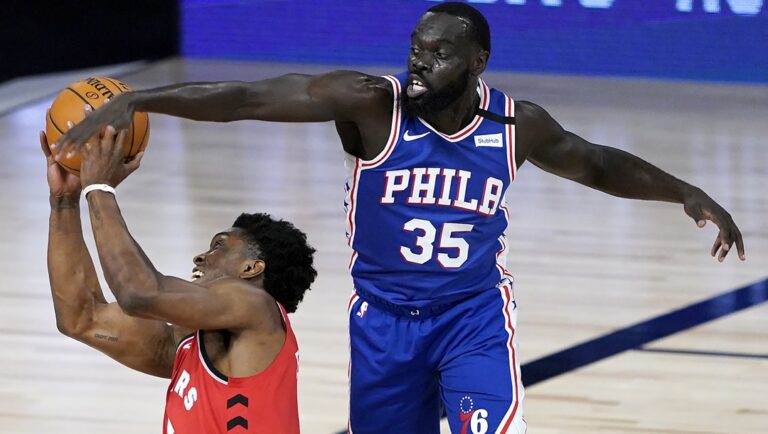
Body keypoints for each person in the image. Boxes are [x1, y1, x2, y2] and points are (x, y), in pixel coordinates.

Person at [56, 3, 745, 432]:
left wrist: (684, 190)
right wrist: (142, 100)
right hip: (383, 323)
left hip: (471, 315)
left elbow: (595, 164)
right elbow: (246, 97)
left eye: (439, 50)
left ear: (477, 63)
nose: (419, 57)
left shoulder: (516, 125)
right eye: (416, 43)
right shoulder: (371, 105)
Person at [44, 125, 316, 434]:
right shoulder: (187, 345)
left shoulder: (256, 305)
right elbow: (82, 318)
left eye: (219, 245)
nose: (200, 258)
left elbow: (139, 293)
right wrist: (65, 202)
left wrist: (100, 189)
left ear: (251, 269)